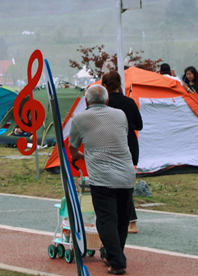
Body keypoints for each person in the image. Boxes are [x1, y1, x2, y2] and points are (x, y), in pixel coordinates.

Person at [68, 84, 135, 276]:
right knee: (122, 220)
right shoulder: (120, 114)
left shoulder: (80, 118)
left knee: (106, 220)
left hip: (102, 177)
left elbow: (72, 147)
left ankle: (117, 262)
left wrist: (81, 156)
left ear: (86, 101)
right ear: (107, 101)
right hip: (126, 175)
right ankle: (115, 256)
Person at [102, 72, 143, 234]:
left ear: (105, 86)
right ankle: (129, 221)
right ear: (120, 84)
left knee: (111, 184)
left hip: (111, 145)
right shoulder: (130, 102)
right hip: (130, 145)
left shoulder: (105, 104)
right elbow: (139, 125)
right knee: (125, 184)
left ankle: (127, 220)